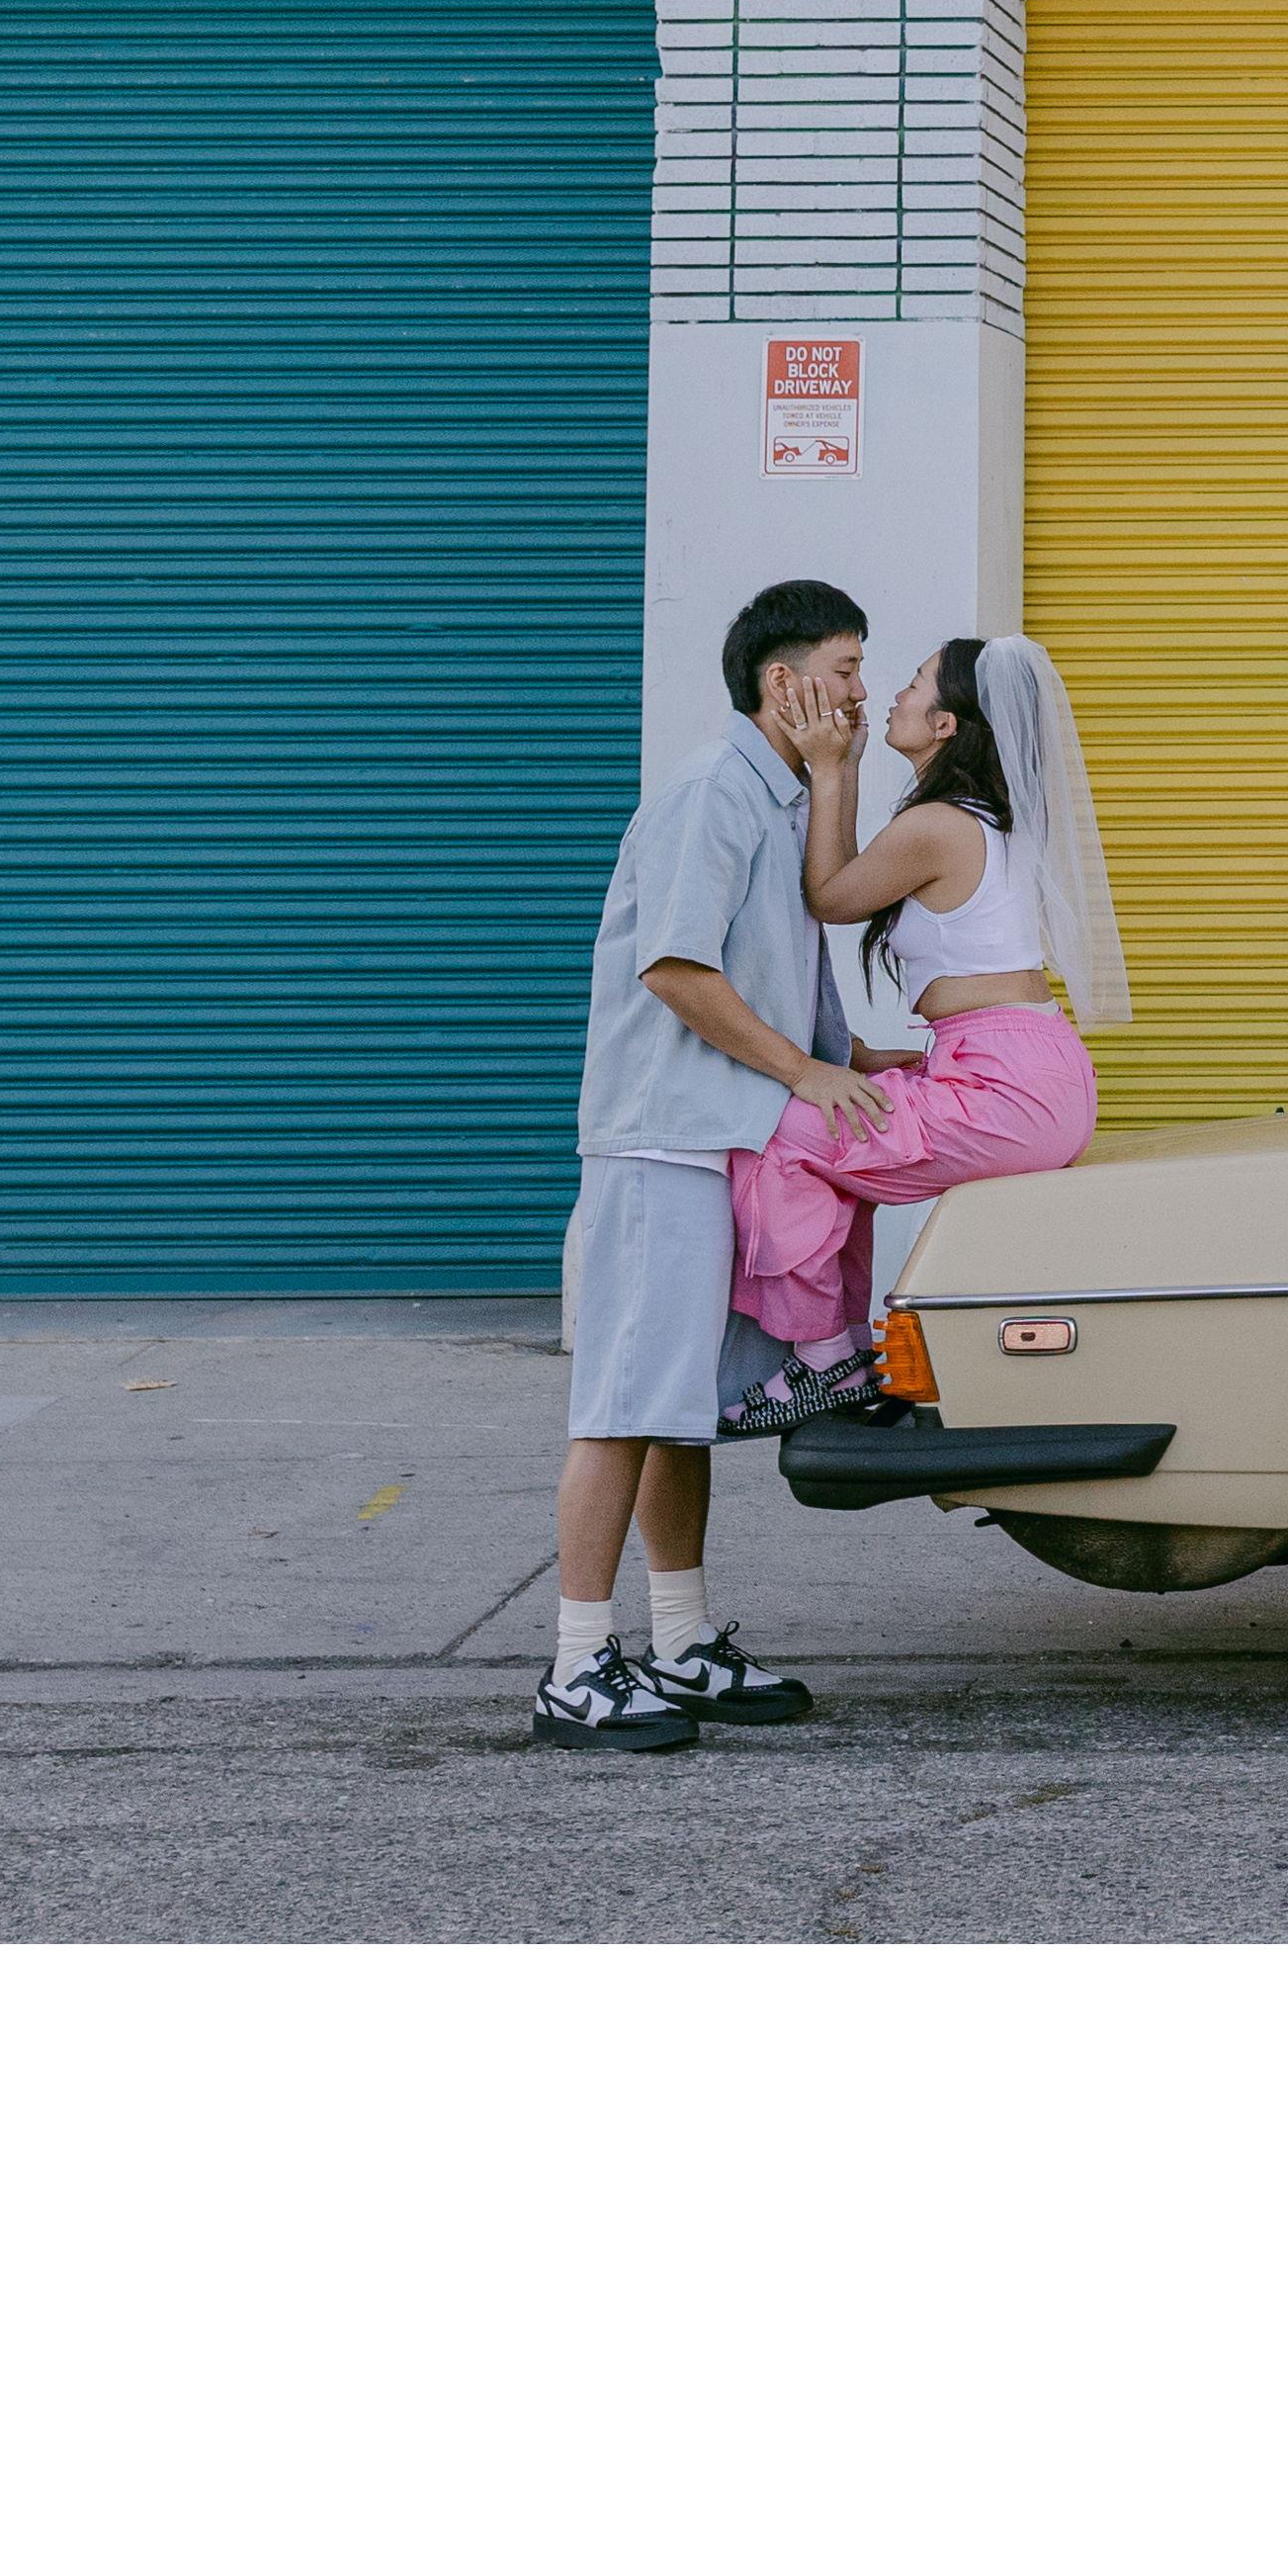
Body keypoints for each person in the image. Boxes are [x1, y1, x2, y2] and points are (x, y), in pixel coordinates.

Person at [533, 575, 893, 1756]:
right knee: (623, 1408)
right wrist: (803, 1075)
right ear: (782, 683)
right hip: (662, 1138)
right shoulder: (710, 794)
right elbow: (678, 969)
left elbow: (775, 970)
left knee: (677, 1413)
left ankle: (681, 1643)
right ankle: (576, 1670)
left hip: (719, 1137)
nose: (860, 693)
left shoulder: (782, 798)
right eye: (844, 671)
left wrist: (858, 1058)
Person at [714, 630, 1130, 1433]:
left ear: (945, 724)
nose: (890, 696)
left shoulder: (938, 824)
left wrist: (831, 768)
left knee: (780, 1135)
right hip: (1026, 1067)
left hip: (1006, 1084)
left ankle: (825, 1360)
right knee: (843, 1137)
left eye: (912, 683)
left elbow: (831, 896)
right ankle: (841, 1351)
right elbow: (849, 886)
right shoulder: (985, 819)